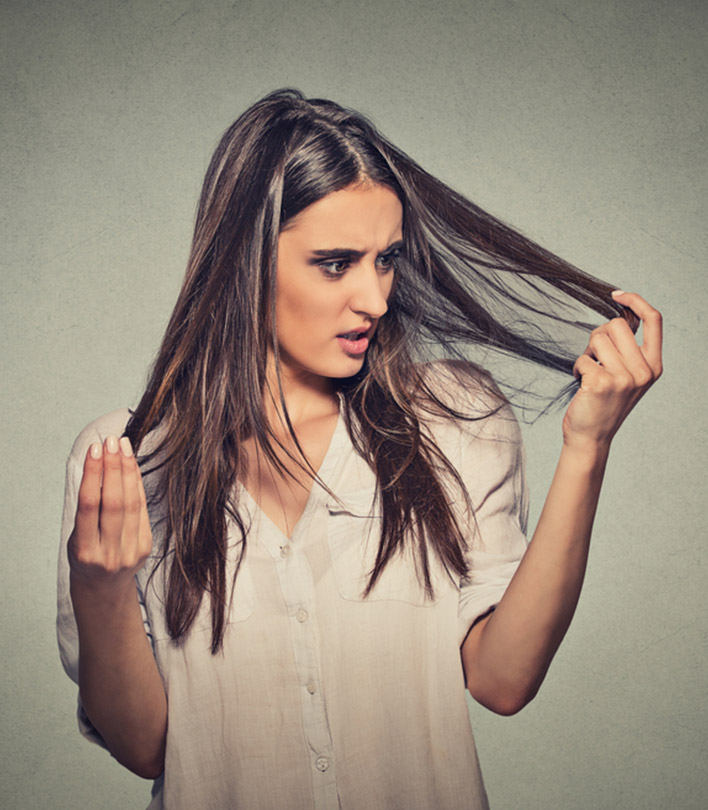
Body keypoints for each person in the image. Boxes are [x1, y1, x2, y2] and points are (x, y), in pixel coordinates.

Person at [57, 89, 662, 810]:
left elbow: (503, 681)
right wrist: (98, 589)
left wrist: (587, 447)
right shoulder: (126, 460)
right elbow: (148, 747)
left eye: (387, 260)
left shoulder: (456, 422)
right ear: (244, 262)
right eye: (337, 263)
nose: (376, 297)